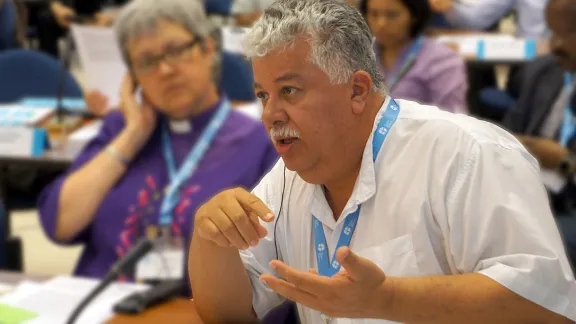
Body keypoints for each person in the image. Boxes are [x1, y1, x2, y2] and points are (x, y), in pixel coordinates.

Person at [188, 0, 576, 323]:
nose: (270, 114)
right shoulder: (291, 176)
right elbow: (229, 314)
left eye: (289, 90)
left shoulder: (467, 154)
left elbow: (547, 304)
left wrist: (387, 298)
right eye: (262, 96)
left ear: (357, 90)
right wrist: (211, 240)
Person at [37, 0, 278, 280]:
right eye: (147, 61)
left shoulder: (261, 143)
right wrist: (132, 136)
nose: (164, 70)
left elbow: (271, 269)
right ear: (133, 78)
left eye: (175, 51)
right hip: (98, 306)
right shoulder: (120, 129)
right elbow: (59, 224)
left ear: (208, 49)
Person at [502, 0, 576, 264]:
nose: (555, 44)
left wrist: (565, 162)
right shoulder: (545, 70)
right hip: (524, 186)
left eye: (569, 33)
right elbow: (508, 132)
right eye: (552, 31)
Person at [360, 0, 468, 113]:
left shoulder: (442, 61)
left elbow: (453, 121)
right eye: (373, 14)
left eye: (392, 15)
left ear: (414, 16)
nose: (381, 23)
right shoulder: (359, 53)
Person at [32, 0, 128, 57]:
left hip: (80, 15)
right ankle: (50, 69)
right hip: (48, 14)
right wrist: (54, 6)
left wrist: (105, 15)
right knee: (45, 17)